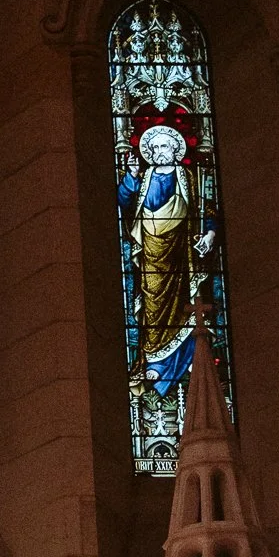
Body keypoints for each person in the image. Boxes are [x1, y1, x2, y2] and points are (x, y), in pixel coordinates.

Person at [117, 103, 215, 406]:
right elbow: (123, 204)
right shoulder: (143, 178)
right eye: (155, 146)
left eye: (165, 146)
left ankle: (184, 363)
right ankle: (152, 366)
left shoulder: (189, 178)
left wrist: (209, 233)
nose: (160, 151)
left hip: (181, 256)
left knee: (186, 307)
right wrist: (131, 177)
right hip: (149, 256)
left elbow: (205, 208)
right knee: (151, 310)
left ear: (175, 150)